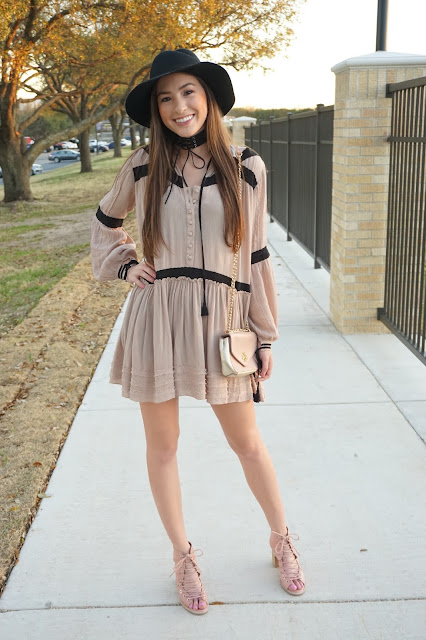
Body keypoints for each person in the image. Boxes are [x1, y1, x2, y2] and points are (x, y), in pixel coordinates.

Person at [90, 48, 305, 616]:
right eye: (165, 98)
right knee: (163, 448)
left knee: (247, 443)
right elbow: (106, 222)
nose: (178, 106)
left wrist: (264, 334)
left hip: (224, 323)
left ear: (208, 98)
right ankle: (183, 555)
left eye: (188, 92)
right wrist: (125, 266)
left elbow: (256, 254)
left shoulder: (246, 166)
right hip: (158, 317)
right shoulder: (143, 165)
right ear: (156, 110)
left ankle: (281, 537)